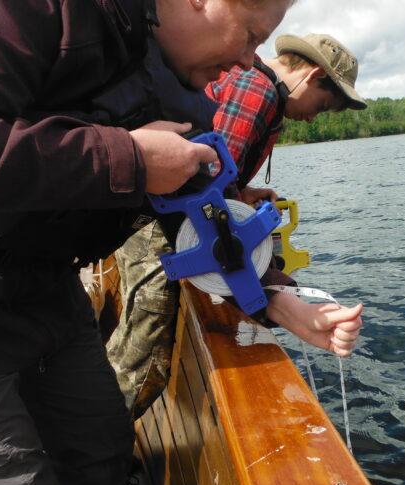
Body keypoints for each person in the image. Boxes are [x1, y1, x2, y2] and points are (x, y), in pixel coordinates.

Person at [0, 0, 295, 485]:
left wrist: (270, 295)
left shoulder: (166, 71)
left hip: (47, 288)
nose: (249, 59)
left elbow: (193, 218)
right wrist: (129, 156)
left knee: (100, 460)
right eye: (250, 35)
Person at [108, 33, 367, 419]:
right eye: (323, 106)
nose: (312, 118)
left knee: (130, 353)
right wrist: (275, 296)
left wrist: (240, 194)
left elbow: (205, 176)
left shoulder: (250, 83)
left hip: (160, 228)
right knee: (142, 368)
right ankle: (88, 462)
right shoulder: (257, 92)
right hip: (166, 240)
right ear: (312, 76)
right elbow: (200, 192)